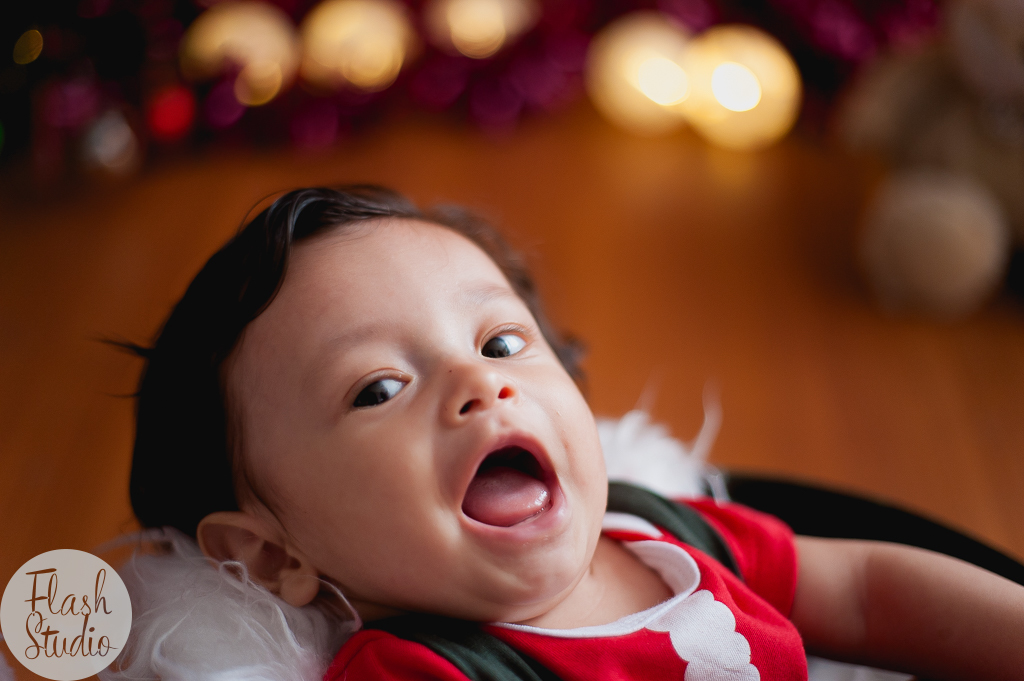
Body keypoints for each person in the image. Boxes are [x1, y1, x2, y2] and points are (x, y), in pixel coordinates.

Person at [127, 185, 1024, 681]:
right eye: (380, 388)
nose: (480, 383)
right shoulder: (422, 670)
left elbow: (865, 592)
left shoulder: (660, 528)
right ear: (272, 556)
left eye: (500, 342)